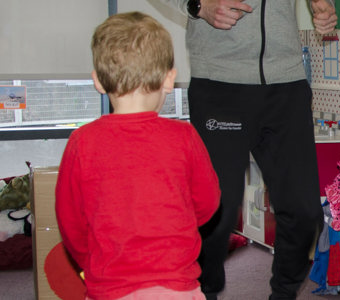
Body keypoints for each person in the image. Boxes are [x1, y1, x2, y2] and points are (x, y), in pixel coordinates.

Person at [156, 0, 337, 298]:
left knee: (304, 212)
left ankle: (284, 294)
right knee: (216, 210)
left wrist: (323, 5)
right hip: (220, 83)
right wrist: (198, 6)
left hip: (286, 82)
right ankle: (203, 293)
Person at [55, 12, 220, 300]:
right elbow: (208, 202)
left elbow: (70, 221)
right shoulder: (184, 136)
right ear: (170, 79)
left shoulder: (81, 142)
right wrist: (176, 226)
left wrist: (92, 262)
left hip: (109, 286)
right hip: (176, 284)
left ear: (98, 81)